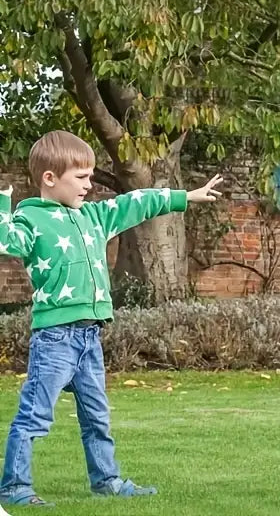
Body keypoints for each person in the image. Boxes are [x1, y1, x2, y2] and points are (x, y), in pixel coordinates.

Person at [0, 130, 223, 506]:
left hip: (90, 338)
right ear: (49, 179)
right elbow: (6, 242)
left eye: (90, 176)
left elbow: (137, 202)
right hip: (54, 338)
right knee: (35, 416)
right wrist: (3, 208)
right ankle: (15, 488)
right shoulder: (30, 221)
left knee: (97, 418)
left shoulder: (95, 217)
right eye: (81, 177)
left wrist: (185, 196)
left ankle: (107, 481)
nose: (90, 185)